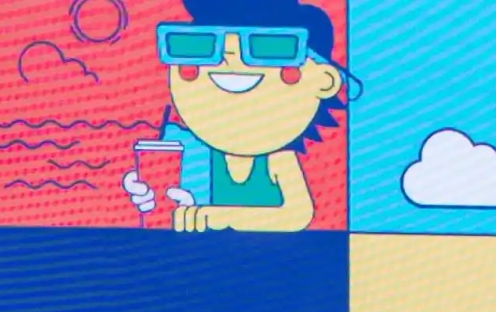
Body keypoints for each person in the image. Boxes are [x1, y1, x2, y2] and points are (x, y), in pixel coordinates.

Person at [121, 2, 347, 232]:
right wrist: (146, 193)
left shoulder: (276, 158)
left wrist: (223, 216)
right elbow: (177, 199)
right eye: (203, 44)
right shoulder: (190, 152)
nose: (231, 53)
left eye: (267, 46)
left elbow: (298, 214)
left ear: (324, 80)